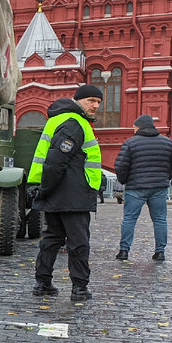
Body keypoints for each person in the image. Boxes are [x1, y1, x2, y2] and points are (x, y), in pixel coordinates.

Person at [28, 84, 103, 302]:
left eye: (98, 102)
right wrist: (45, 189)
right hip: (73, 194)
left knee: (52, 238)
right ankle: (79, 288)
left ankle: (42, 283)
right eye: (91, 100)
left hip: (60, 192)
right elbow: (56, 161)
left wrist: (44, 190)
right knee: (78, 242)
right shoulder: (74, 122)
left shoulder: (60, 119)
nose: (95, 105)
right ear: (78, 100)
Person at [113, 115, 172, 262]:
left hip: (135, 187)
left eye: (134, 127)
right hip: (158, 188)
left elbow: (120, 166)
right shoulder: (168, 143)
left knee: (129, 219)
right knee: (160, 220)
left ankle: (124, 251)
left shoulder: (130, 143)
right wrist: (164, 177)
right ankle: (160, 252)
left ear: (139, 127)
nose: (133, 130)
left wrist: (125, 180)